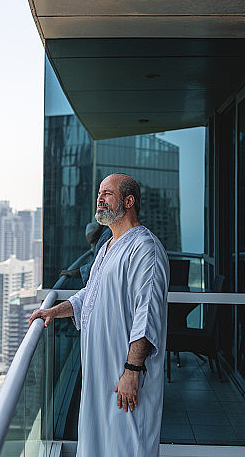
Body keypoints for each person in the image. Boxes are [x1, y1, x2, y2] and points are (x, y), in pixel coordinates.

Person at [28, 173, 169, 457]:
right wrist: (55, 311)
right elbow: (88, 295)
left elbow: (147, 315)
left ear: (128, 201)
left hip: (125, 378)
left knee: (128, 446)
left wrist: (132, 371)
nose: (99, 198)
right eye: (99, 193)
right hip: (98, 376)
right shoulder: (106, 248)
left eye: (107, 193)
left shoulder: (145, 250)